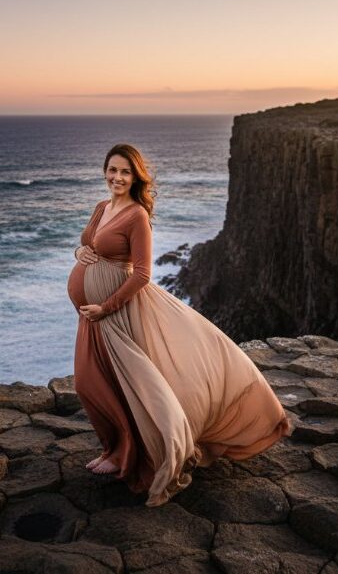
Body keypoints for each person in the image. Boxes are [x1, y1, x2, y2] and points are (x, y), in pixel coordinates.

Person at [66, 143, 291, 507]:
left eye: (125, 172)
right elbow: (87, 245)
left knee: (124, 386)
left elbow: (141, 274)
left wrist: (106, 306)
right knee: (95, 382)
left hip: (116, 314)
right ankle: (112, 450)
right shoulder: (102, 207)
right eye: (112, 170)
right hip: (91, 315)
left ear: (135, 176)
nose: (117, 177)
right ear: (104, 171)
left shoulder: (136, 215)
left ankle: (128, 455)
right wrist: (81, 254)